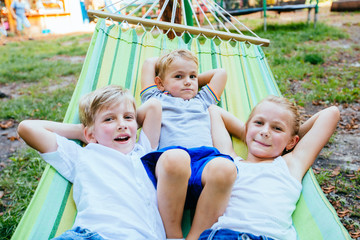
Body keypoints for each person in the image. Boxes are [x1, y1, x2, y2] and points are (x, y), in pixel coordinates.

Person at [17, 85, 166, 240]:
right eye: (109, 119)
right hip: (93, 235)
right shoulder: (82, 157)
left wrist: (119, 126)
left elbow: (153, 106)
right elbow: (27, 128)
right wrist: (84, 133)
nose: (122, 124)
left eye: (128, 117)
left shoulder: (144, 152)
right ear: (89, 134)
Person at [199, 95, 340, 240]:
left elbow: (331, 113)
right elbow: (214, 111)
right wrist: (250, 132)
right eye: (259, 122)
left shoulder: (291, 164)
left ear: (293, 142)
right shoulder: (229, 163)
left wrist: (288, 141)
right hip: (223, 235)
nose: (265, 131)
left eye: (277, 128)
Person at [140, 49, 237, 240]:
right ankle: (173, 235)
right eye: (179, 76)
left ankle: (196, 236)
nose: (188, 81)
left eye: (192, 76)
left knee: (226, 167)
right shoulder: (155, 98)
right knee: (178, 157)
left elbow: (220, 73)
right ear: (159, 83)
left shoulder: (202, 100)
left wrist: (186, 79)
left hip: (203, 165)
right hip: (170, 169)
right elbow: (149, 63)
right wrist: (172, 68)